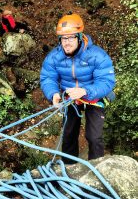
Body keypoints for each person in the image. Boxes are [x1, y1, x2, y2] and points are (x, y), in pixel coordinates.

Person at [40, 13, 115, 163]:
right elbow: (48, 77)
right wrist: (53, 94)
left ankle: (96, 169)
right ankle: (68, 168)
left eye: (71, 37)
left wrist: (85, 91)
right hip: (69, 97)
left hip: (94, 95)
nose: (67, 42)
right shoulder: (54, 57)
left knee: (94, 137)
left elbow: (106, 81)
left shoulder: (97, 55)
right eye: (63, 38)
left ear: (80, 37)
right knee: (68, 134)